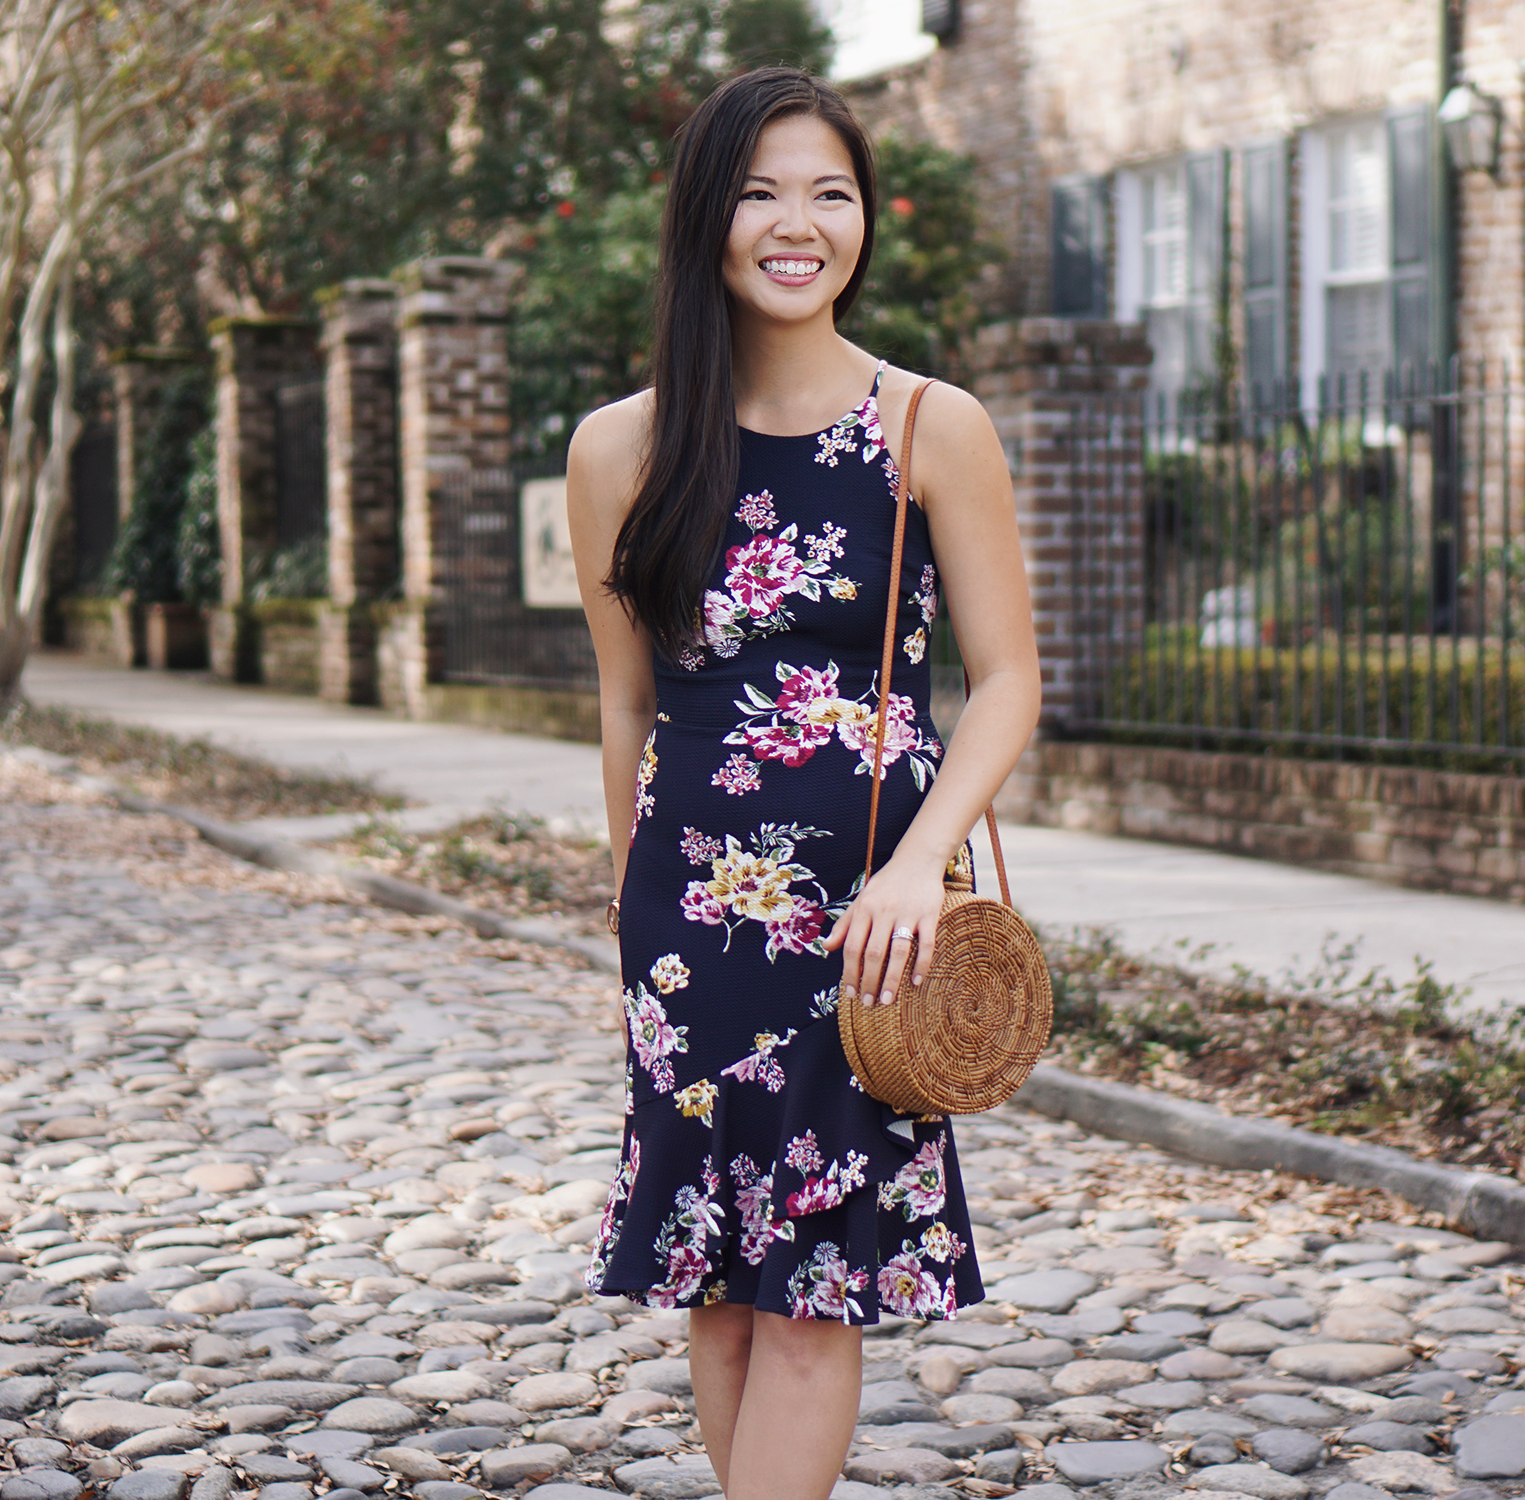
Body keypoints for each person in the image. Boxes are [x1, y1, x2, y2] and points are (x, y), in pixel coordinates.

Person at [565, 66, 1040, 1500]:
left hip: (865, 926)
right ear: (708, 216)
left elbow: (1008, 681)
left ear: (863, 221)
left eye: (829, 193)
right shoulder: (621, 448)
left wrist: (917, 862)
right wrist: (631, 913)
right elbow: (628, 703)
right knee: (715, 1288)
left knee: (814, 1289)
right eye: (763, 190)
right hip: (690, 930)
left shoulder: (927, 426)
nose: (798, 222)